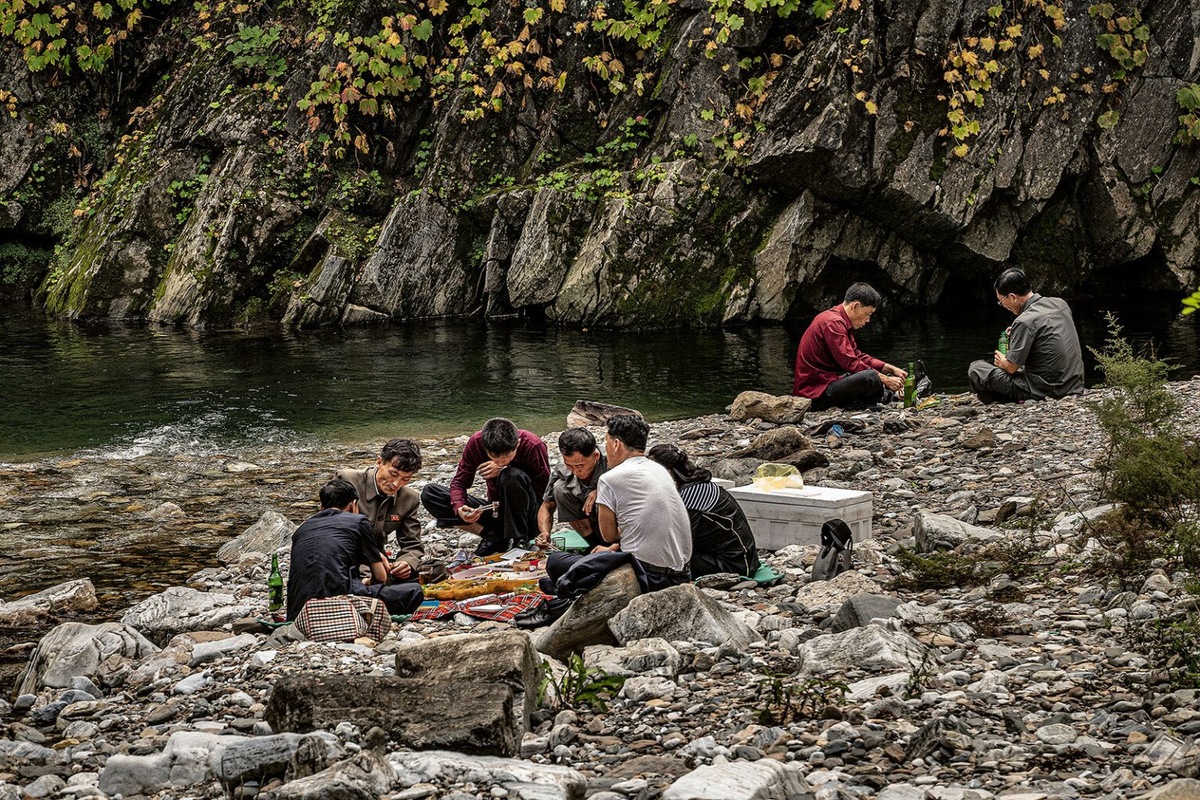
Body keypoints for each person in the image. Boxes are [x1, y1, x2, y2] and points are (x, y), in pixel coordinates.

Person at [285, 479, 423, 621]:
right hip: (341, 604)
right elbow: (380, 577)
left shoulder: (302, 529)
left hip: (299, 609)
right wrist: (368, 581)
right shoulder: (358, 522)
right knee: (414, 591)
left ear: (321, 507)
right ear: (353, 505)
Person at [421, 417, 550, 556]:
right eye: (494, 457)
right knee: (430, 493)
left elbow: (546, 493)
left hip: (527, 515)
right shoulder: (476, 442)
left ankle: (518, 540)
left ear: (517, 444)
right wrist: (460, 508)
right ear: (485, 447)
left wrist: (505, 467)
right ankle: (492, 536)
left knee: (511, 475)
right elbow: (459, 483)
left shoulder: (533, 445)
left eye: (506, 457)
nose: (500, 461)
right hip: (496, 510)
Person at [967, 268, 1085, 404]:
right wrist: (1019, 332)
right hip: (1074, 386)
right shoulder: (1060, 304)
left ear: (1012, 297)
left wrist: (1002, 361)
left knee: (976, 369)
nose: (1002, 306)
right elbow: (1046, 334)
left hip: (1045, 390)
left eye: (1001, 301)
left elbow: (1011, 368)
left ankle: (1009, 399)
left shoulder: (1024, 321)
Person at [646, 443, 760, 578]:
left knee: (656, 563)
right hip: (735, 555)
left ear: (668, 471)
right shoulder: (693, 484)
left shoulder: (691, 496)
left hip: (737, 564)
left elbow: (680, 542)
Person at [793, 282, 908, 410]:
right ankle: (883, 395)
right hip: (814, 394)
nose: (868, 320)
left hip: (827, 384)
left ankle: (882, 395)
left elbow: (857, 355)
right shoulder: (833, 323)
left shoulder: (840, 321)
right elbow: (850, 363)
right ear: (856, 306)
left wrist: (889, 368)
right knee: (870, 377)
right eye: (867, 314)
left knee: (870, 377)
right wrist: (885, 379)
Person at [337, 438, 424, 582]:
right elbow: (333, 531)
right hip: (348, 558)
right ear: (379, 462)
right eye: (393, 474)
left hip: (380, 563)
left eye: (405, 479)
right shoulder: (347, 480)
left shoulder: (409, 499)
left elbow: (412, 544)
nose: (396, 484)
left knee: (434, 568)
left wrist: (406, 563)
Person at [535, 428, 608, 551]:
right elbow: (547, 505)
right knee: (559, 488)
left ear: (596, 456)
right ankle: (593, 545)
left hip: (614, 521)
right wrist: (545, 532)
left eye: (580, 465)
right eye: (569, 465)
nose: (575, 471)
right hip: (587, 517)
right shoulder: (562, 467)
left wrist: (602, 489)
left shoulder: (611, 459)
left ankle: (612, 545)